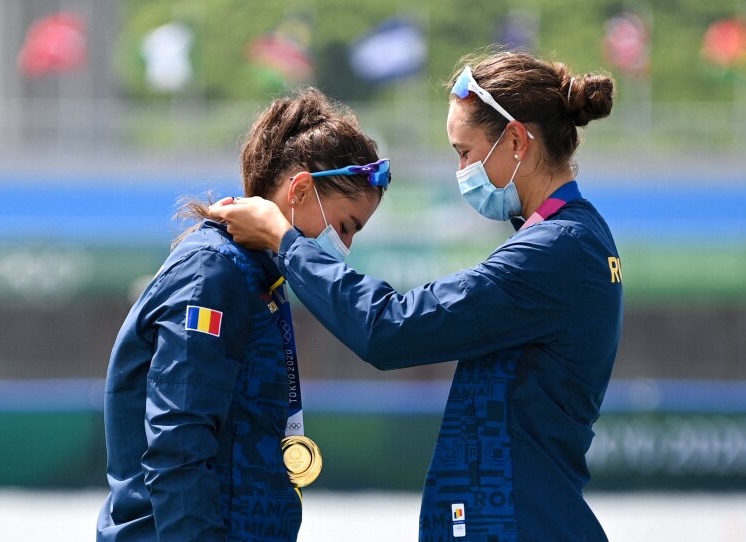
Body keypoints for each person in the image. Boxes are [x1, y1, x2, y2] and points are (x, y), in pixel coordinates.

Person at [209, 50, 622, 541]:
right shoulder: (570, 238)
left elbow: (391, 328)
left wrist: (286, 241)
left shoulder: (556, 250)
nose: (461, 169)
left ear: (515, 140)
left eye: (464, 152)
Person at [96, 87, 390, 541]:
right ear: (300, 190)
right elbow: (178, 443)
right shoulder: (212, 274)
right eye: (346, 226)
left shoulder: (256, 277)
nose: (345, 246)